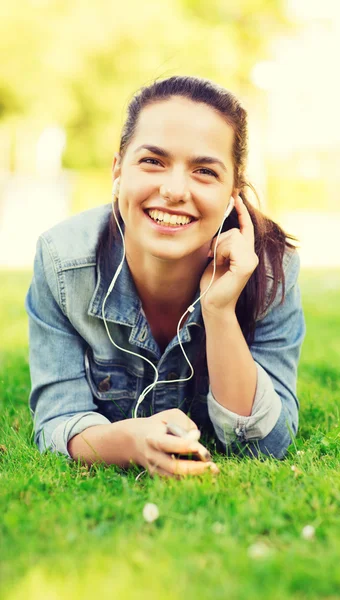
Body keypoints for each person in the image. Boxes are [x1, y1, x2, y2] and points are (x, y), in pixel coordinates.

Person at [25, 75, 305, 478]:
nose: (174, 190)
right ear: (118, 168)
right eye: (153, 161)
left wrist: (219, 309)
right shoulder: (63, 260)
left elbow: (266, 444)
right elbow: (59, 418)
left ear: (233, 192)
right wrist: (129, 442)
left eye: (205, 171)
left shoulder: (272, 270)